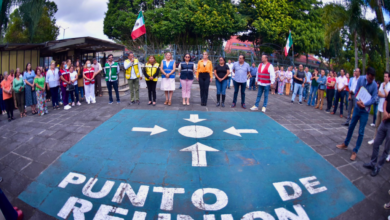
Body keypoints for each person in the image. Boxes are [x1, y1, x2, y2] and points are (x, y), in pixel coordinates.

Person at [336, 67, 378, 161]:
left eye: (373, 78)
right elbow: (357, 91)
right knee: (351, 126)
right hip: (357, 108)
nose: (371, 80)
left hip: (365, 111)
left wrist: (365, 104)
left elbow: (374, 98)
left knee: (361, 131)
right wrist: (358, 101)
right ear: (367, 75)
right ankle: (345, 144)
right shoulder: (361, 79)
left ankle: (355, 151)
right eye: (370, 78)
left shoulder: (374, 85)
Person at [363, 85, 390, 176]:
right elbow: (386, 101)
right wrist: (385, 112)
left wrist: (388, 115)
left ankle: (378, 167)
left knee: (386, 149)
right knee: (376, 143)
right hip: (385, 121)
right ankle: (372, 163)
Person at [368, 72, 389, 145]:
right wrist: (385, 95)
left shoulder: (388, 85)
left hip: (385, 110)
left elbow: (388, 96)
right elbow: (379, 93)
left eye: (386, 76)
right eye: (384, 76)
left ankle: (385, 143)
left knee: (385, 127)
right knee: (377, 125)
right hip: (380, 107)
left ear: (389, 78)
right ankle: (375, 139)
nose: (385, 78)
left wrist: (384, 88)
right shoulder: (382, 84)